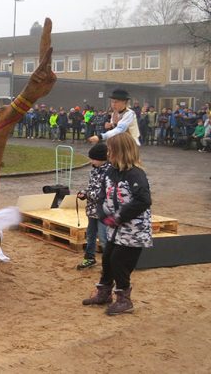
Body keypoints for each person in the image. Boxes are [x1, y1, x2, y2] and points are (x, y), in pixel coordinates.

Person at [82, 133, 152, 316]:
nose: (108, 153)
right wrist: (102, 212)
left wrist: (119, 216)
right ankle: (104, 293)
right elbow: (102, 196)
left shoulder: (136, 174)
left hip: (133, 230)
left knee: (119, 262)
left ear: (120, 151)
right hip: (115, 229)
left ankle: (124, 299)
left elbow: (143, 200)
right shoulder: (110, 172)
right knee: (107, 259)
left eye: (111, 150)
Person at [75, 143, 111, 270]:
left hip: (103, 212)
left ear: (101, 158)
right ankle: (89, 258)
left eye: (93, 158)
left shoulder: (110, 172)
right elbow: (92, 188)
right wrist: (84, 193)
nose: (91, 161)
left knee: (104, 238)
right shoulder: (94, 170)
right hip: (92, 210)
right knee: (90, 235)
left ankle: (110, 263)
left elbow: (105, 193)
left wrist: (88, 195)